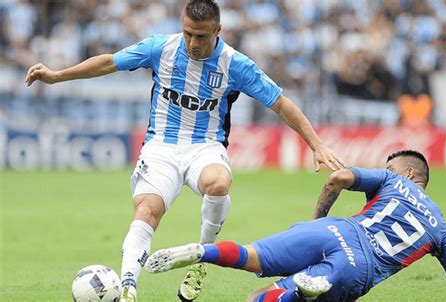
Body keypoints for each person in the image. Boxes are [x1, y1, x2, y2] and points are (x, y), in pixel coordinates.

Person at [24, 1, 345, 301]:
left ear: (217, 31)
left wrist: (315, 144)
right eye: (189, 33)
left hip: (205, 146)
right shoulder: (160, 47)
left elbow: (280, 103)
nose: (193, 43)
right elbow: (109, 62)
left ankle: (200, 260)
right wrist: (56, 76)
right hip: (161, 145)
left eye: (201, 36)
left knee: (218, 183)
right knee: (147, 211)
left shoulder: (235, 64)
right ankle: (128, 288)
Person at [145, 150, 446, 301]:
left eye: (389, 166)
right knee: (265, 299)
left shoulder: (392, 180)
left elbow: (339, 177)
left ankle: (203, 251)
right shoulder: (442, 229)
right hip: (359, 267)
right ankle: (301, 294)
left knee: (249, 255)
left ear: (410, 174)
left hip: (332, 230)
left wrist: (317, 222)